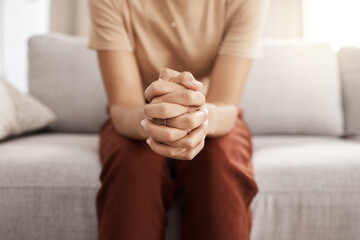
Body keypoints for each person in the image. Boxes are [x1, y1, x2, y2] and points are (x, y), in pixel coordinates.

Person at [88, 0, 268, 239]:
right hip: (138, 115)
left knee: (219, 165)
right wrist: (155, 119)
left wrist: (198, 118)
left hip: (213, 115)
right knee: (134, 168)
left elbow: (225, 103)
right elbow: (123, 105)